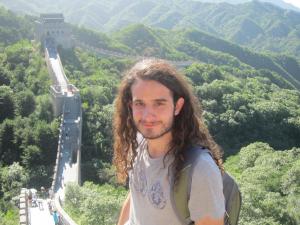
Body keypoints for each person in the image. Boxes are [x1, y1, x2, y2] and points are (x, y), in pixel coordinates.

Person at [114, 59, 225, 225]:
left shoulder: (200, 170)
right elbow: (136, 196)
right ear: (131, 106)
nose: (147, 116)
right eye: (140, 103)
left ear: (178, 106)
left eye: (159, 103)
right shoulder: (138, 142)